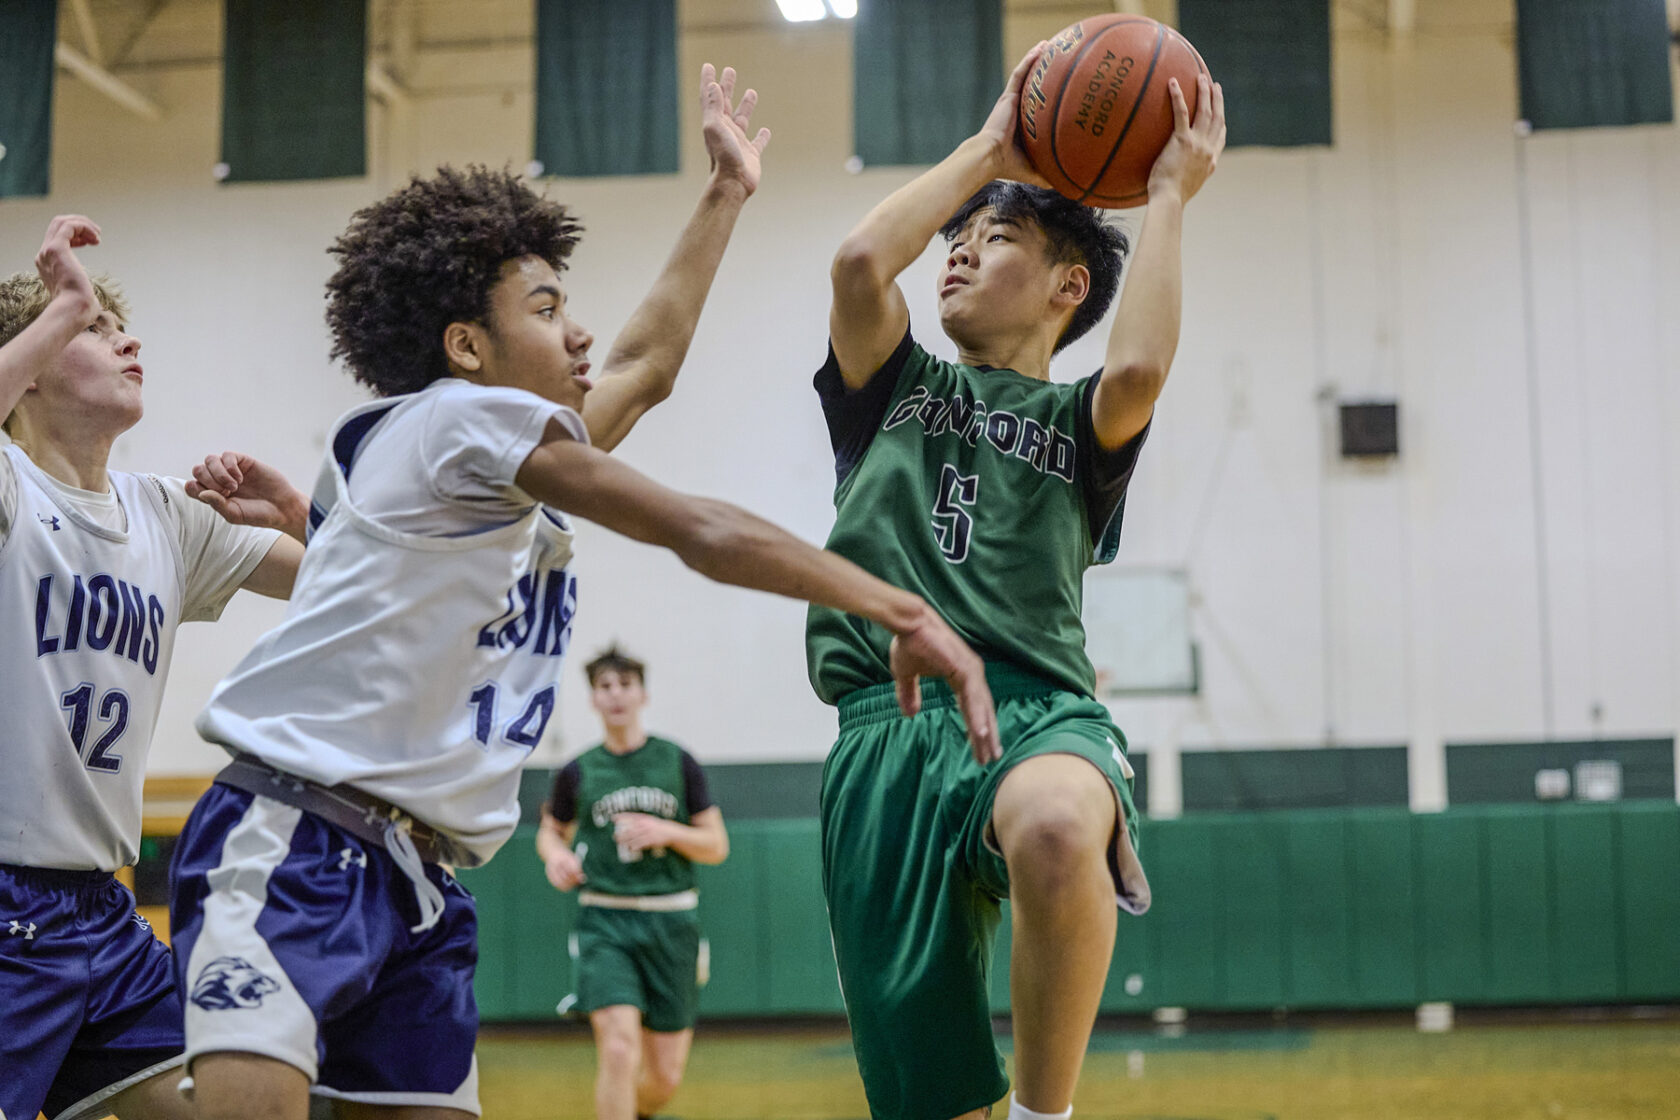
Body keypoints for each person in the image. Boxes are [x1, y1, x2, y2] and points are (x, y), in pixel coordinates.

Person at [167, 65, 997, 1120]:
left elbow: (645, 365)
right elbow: (696, 527)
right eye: (547, 307)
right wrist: (900, 606)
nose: (578, 336)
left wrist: (726, 193)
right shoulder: (464, 419)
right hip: (298, 838)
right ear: (467, 347)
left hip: (423, 879)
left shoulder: (461, 455)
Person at [807, 42, 1226, 1120]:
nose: (953, 253)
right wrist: (989, 153)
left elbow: (1135, 369)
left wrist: (1169, 195)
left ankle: (1048, 1115)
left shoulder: (1079, 428)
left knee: (1051, 827)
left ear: (1065, 285)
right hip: (885, 731)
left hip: (1036, 709)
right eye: (953, 238)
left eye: (992, 240)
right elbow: (861, 264)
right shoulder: (890, 386)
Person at [0, 215, 305, 1120]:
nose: (124, 338)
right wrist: (61, 308)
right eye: (93, 329)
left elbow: (351, 589)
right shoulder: (13, 487)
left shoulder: (168, 515)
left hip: (106, 910)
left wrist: (297, 511)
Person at [537, 646, 725, 1120]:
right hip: (605, 921)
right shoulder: (578, 770)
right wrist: (556, 855)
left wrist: (667, 831)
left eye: (624, 685)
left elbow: (716, 845)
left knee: (664, 1078)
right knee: (619, 1050)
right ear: (593, 700)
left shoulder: (678, 762)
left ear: (643, 694)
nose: (615, 695)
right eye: (605, 687)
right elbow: (549, 831)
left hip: (672, 922)